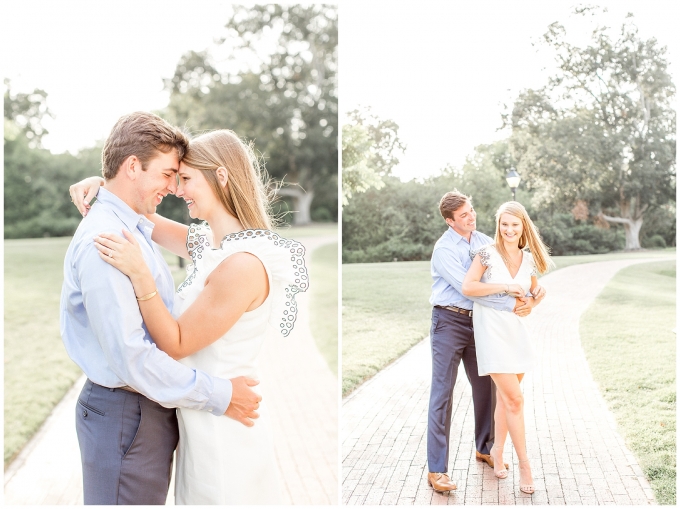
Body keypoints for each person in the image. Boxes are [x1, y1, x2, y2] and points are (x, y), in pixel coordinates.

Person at [61, 113, 269, 504]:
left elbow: (147, 213)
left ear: (221, 178)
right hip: (153, 408)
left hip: (200, 415)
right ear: (134, 166)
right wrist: (106, 187)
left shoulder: (227, 251)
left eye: (184, 177)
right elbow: (133, 355)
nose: (175, 188)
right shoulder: (115, 238)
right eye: (171, 174)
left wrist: (108, 188)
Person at [427, 190, 545, 493]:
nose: (471, 216)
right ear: (450, 221)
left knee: (489, 392)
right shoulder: (444, 250)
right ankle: (438, 470)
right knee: (443, 394)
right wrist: (513, 297)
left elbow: (519, 272)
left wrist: (530, 299)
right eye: (464, 215)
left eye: (472, 210)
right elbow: (470, 289)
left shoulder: (483, 243)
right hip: (450, 321)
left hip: (480, 324)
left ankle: (486, 448)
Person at [462, 200, 554, 495]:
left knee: (506, 400)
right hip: (491, 332)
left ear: (523, 226)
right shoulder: (486, 254)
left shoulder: (527, 259)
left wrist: (537, 297)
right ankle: (525, 466)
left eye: (515, 225)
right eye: (504, 224)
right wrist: (503, 287)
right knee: (515, 400)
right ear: (498, 225)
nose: (509, 230)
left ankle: (498, 452)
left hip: (516, 333)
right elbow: (469, 287)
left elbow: (530, 300)